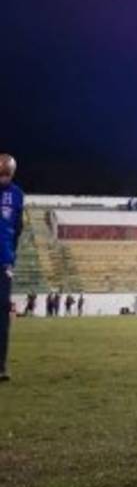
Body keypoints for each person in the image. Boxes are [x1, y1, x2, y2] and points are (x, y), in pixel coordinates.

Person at [0, 153, 25, 382]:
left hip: (3, 261)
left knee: (2, 315)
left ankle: (1, 365)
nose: (3, 178)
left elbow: (18, 228)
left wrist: (10, 255)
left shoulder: (17, 195)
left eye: (6, 174)